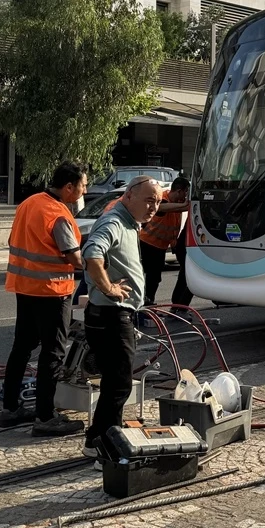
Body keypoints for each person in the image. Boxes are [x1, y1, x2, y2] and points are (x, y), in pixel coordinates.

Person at [0, 161, 90, 436]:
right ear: (69, 187)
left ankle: (10, 409)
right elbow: (73, 256)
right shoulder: (58, 214)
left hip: (25, 287)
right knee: (53, 353)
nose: (86, 190)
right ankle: (46, 417)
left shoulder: (29, 203)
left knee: (22, 347)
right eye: (83, 185)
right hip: (51, 291)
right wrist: (98, 264)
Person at [80, 175, 161, 457]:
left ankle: (99, 439)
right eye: (149, 200)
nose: (153, 207)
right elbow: (92, 254)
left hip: (111, 315)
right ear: (129, 196)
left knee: (115, 383)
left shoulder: (129, 223)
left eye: (158, 202)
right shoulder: (114, 221)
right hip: (112, 316)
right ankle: (105, 444)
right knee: (119, 384)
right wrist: (109, 288)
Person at [137, 176, 191, 308]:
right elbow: (161, 208)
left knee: (154, 277)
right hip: (147, 244)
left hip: (160, 247)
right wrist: (185, 206)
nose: (185, 196)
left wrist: (173, 244)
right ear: (179, 191)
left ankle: (148, 301)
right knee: (147, 276)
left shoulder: (176, 204)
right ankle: (144, 302)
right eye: (186, 192)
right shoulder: (163, 198)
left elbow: (173, 226)